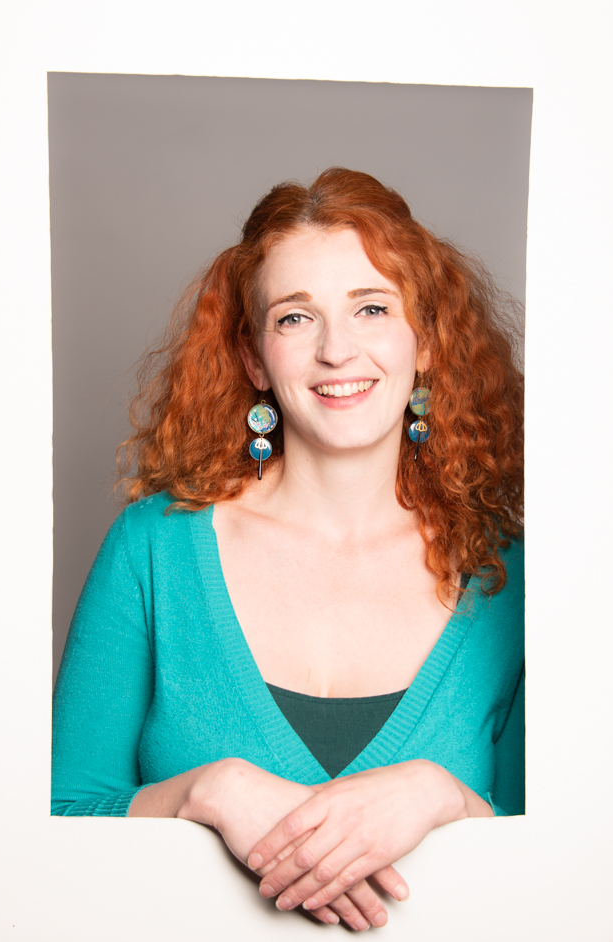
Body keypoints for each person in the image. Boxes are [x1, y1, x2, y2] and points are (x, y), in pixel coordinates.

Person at [51, 167, 524, 931]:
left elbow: (572, 865)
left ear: (428, 341)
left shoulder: (513, 580)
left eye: (373, 308)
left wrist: (445, 797)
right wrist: (204, 792)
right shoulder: (152, 548)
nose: (337, 350)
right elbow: (47, 828)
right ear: (253, 359)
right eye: (296, 317)